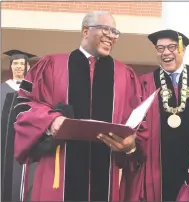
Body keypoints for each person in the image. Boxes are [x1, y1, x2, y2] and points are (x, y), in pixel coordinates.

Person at [13, 11, 147, 201]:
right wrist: (51, 120)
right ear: (85, 31)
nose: (112, 36)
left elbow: (140, 123)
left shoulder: (125, 76)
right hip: (59, 176)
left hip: (106, 176)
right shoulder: (51, 66)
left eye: (115, 32)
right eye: (106, 29)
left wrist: (131, 144)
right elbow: (23, 105)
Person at [137, 29, 189, 201]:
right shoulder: (144, 83)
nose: (166, 52)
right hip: (158, 163)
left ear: (183, 50)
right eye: (160, 48)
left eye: (172, 47)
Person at [1, 50, 37, 201]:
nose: (18, 67)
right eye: (15, 63)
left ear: (27, 66)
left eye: (22, 64)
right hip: (3, 144)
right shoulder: (2, 89)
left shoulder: (34, 90)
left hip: (25, 144)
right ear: (11, 66)